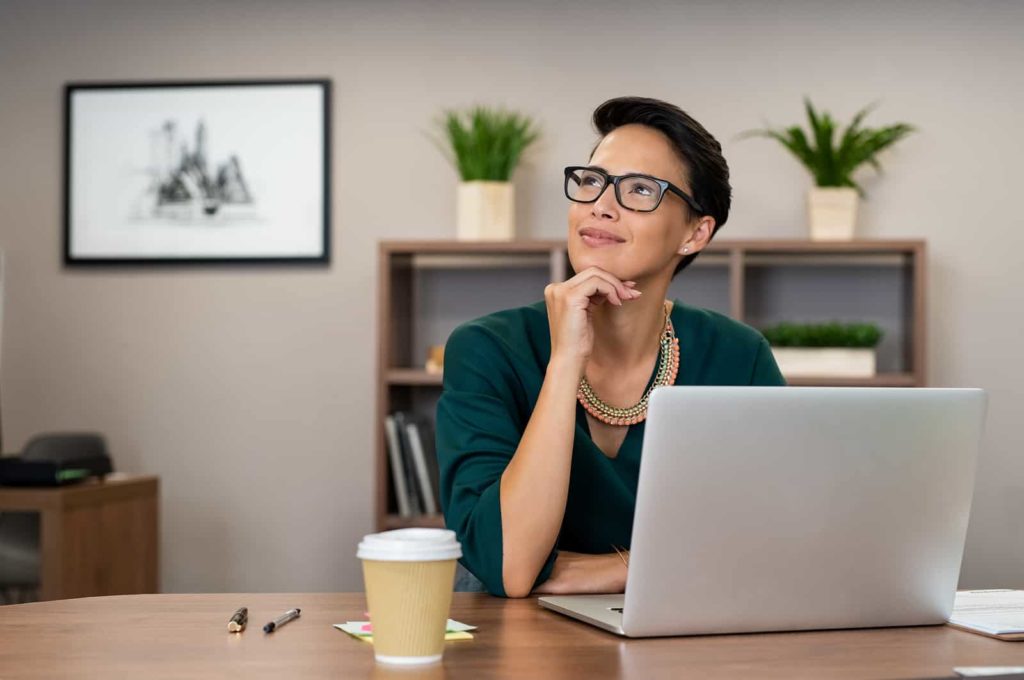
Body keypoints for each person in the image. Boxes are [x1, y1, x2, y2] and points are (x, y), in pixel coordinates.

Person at [435, 96, 786, 598]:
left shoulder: (738, 356)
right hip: (519, 646)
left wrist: (603, 569)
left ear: (695, 232)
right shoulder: (485, 349)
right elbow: (511, 566)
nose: (601, 204)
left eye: (640, 189)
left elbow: (771, 542)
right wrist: (565, 362)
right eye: (592, 181)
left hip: (681, 633)